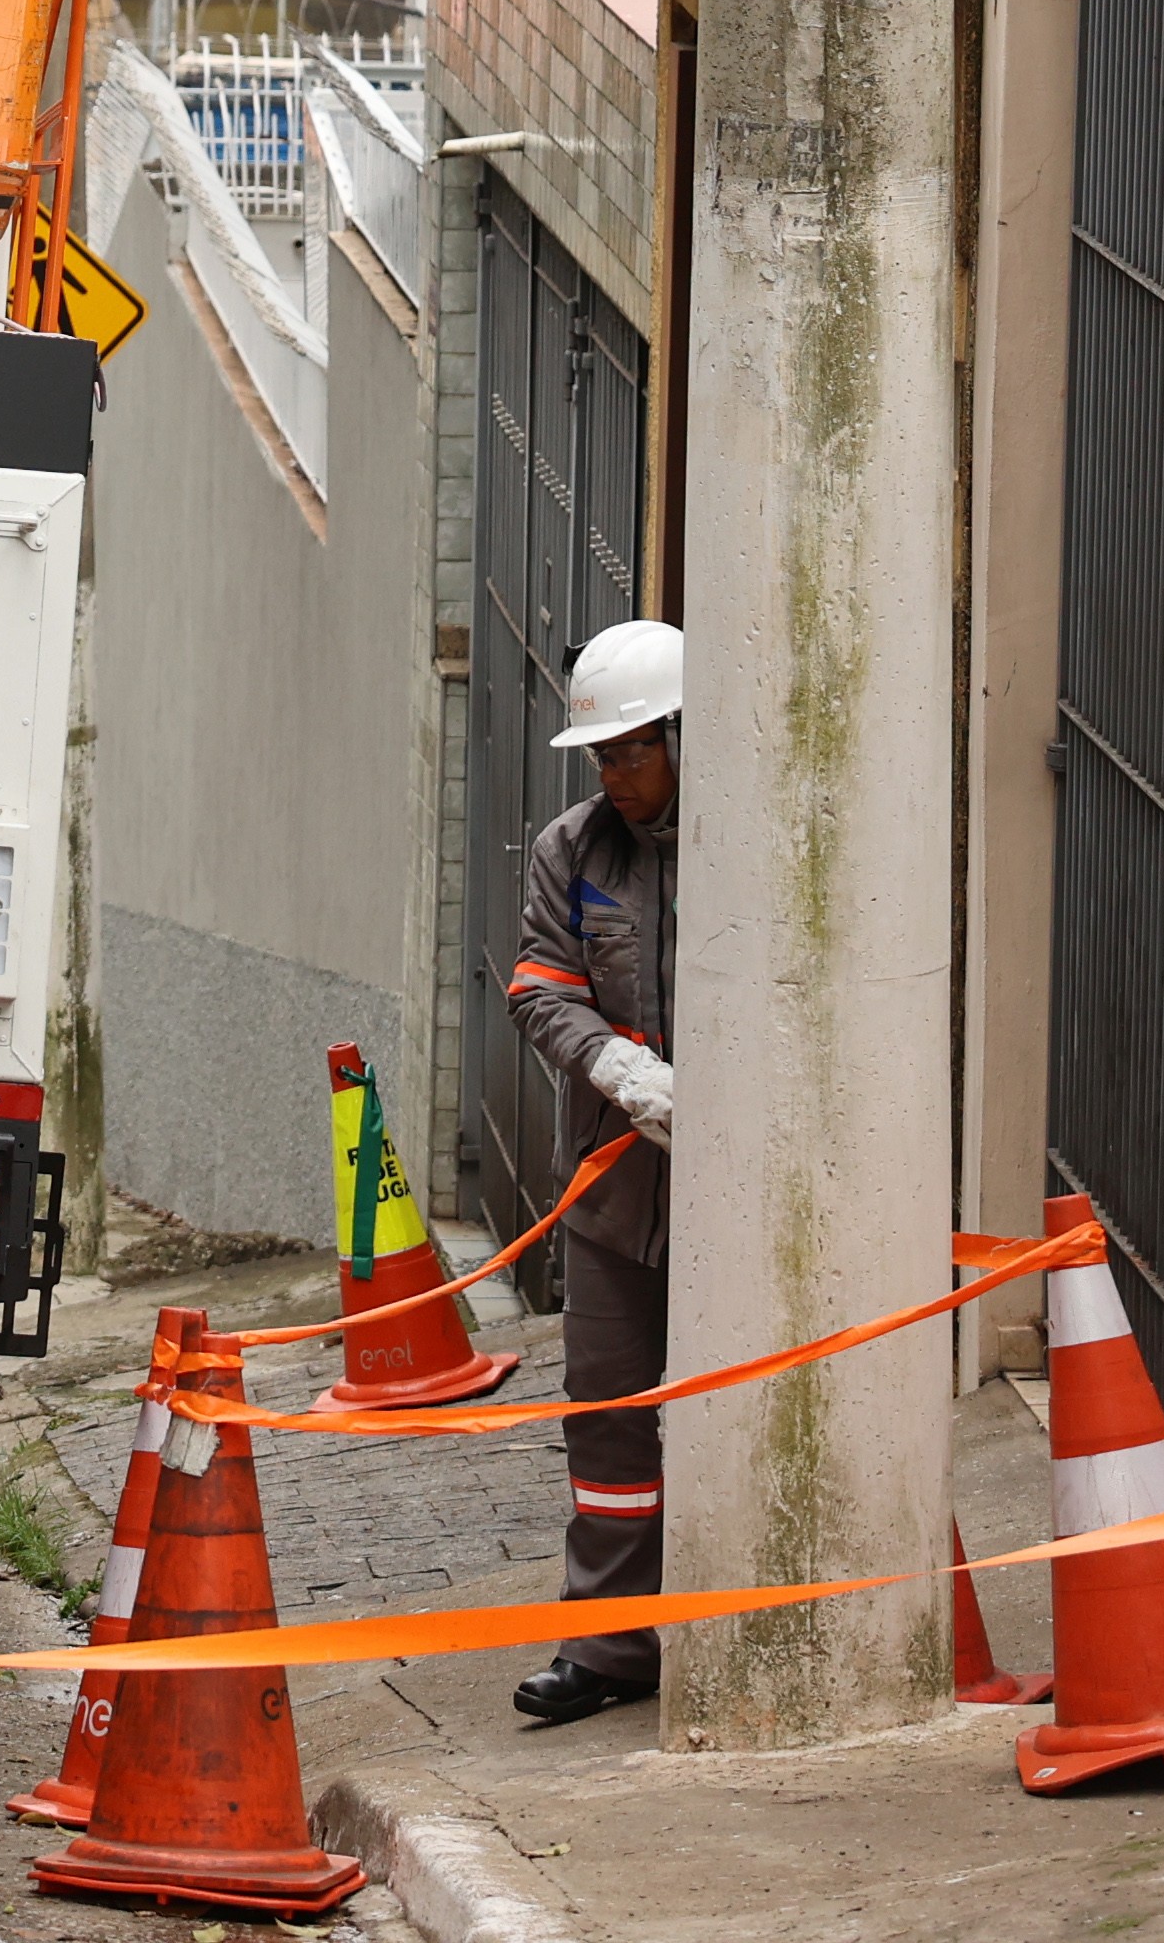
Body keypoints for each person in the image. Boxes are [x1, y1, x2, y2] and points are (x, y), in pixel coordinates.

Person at [499, 615, 684, 1731]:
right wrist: (616, 1064)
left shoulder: (752, 843)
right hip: (615, 1198)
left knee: (730, 1406)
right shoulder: (571, 850)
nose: (614, 771)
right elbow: (537, 983)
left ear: (681, 734)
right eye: (601, 753)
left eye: (631, 748)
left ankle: (733, 1612)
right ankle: (610, 1642)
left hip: (733, 1198)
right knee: (607, 1417)